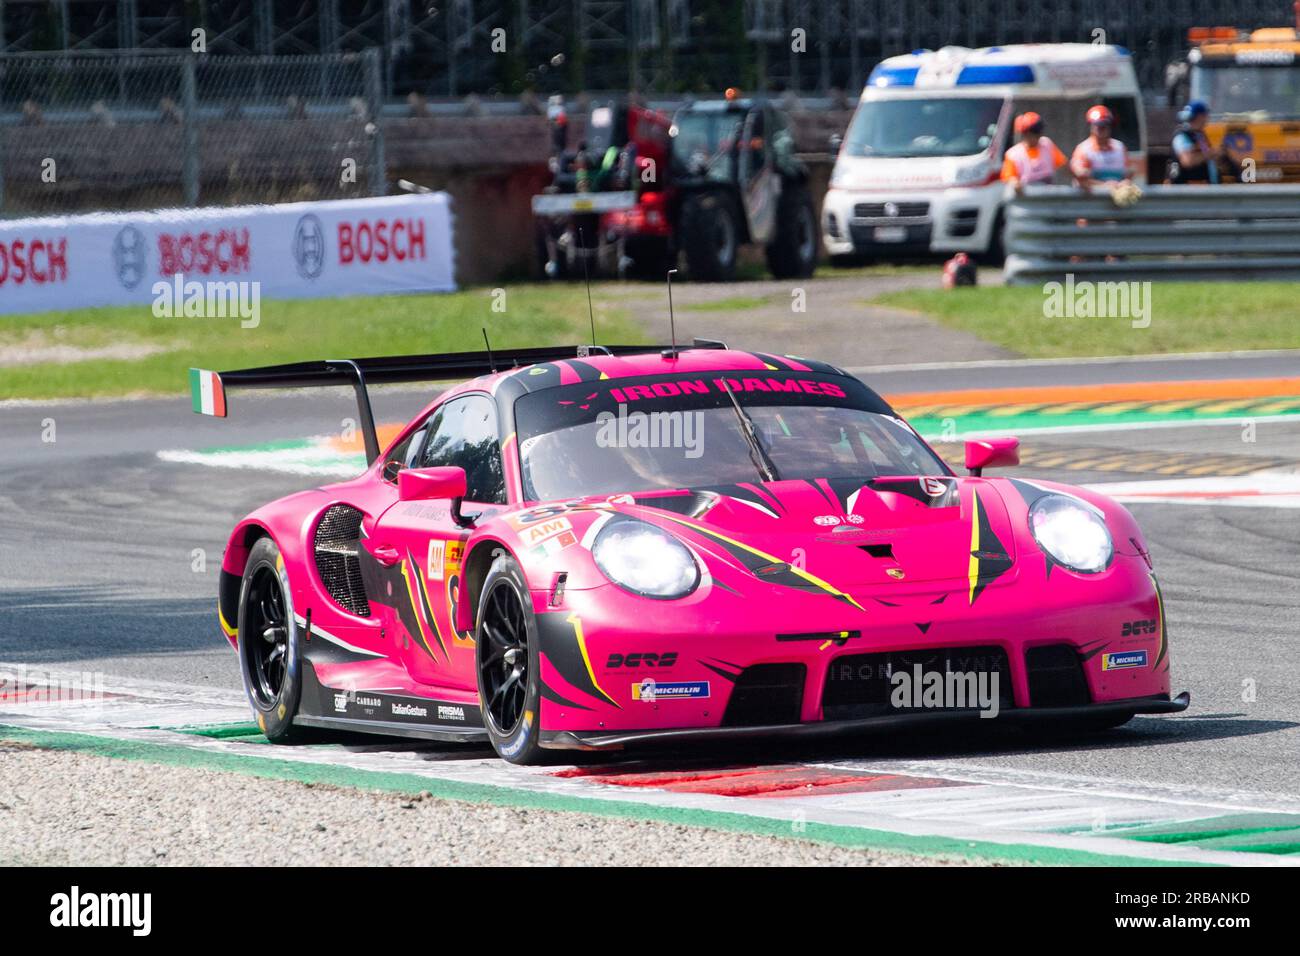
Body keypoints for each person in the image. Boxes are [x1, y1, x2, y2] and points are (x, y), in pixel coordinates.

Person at [1000, 111, 1068, 192]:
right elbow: (1009, 177)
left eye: (1039, 133)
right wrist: (1015, 183)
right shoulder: (1013, 154)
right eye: (1035, 133)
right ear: (1025, 134)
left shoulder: (1047, 145)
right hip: (1026, 197)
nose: (1038, 136)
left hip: (1047, 194)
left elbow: (1064, 166)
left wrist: (1079, 177)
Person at [1071, 104, 1131, 189]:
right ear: (1091, 127)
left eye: (1105, 125)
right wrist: (1103, 186)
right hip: (1094, 200)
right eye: (1098, 125)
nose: (1101, 129)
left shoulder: (1120, 148)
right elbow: (1080, 178)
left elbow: (1128, 174)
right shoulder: (1083, 150)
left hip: (1117, 198)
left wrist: (1125, 182)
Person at [1168, 100, 1220, 184]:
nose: (1207, 118)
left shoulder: (1200, 135)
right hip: (1187, 190)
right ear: (1200, 116)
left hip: (1204, 188)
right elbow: (1188, 161)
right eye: (1205, 115)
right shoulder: (1182, 137)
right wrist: (1210, 154)